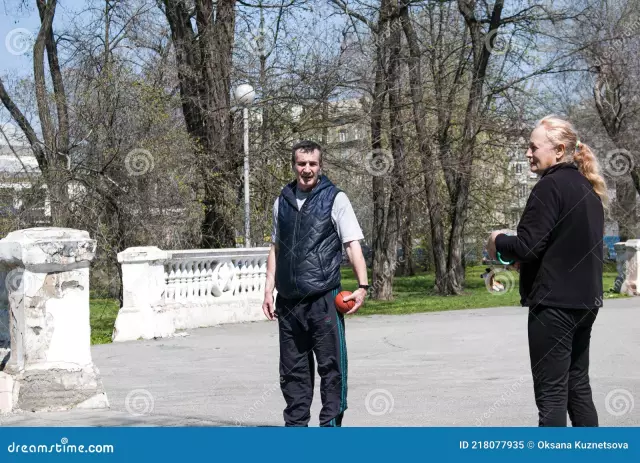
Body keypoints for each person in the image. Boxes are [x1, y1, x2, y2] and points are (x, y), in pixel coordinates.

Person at [486, 115, 608, 427]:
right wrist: (527, 260)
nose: (528, 153)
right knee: (577, 387)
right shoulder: (588, 190)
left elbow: (526, 246)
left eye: (533, 147)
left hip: (554, 307)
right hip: (586, 303)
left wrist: (496, 241)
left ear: (558, 150)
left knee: (552, 395)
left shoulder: (549, 187)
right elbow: (560, 248)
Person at [262, 140, 369, 427]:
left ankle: (329, 430)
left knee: (331, 368)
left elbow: (351, 244)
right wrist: (268, 290)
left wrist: (363, 285)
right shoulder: (281, 201)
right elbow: (276, 248)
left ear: (320, 166)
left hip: (323, 298)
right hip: (288, 302)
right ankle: (296, 431)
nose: (306, 169)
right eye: (301, 163)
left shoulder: (335, 198)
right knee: (293, 371)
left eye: (312, 164)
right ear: (294, 165)